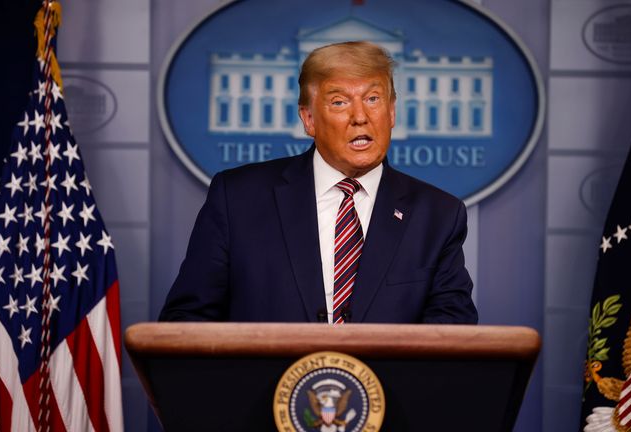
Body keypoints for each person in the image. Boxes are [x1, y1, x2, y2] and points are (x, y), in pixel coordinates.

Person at [159, 41, 477, 324]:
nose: (360, 116)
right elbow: (185, 324)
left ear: (391, 112)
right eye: (339, 102)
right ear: (308, 119)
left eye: (373, 98)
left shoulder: (438, 215)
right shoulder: (238, 199)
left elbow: (451, 339)